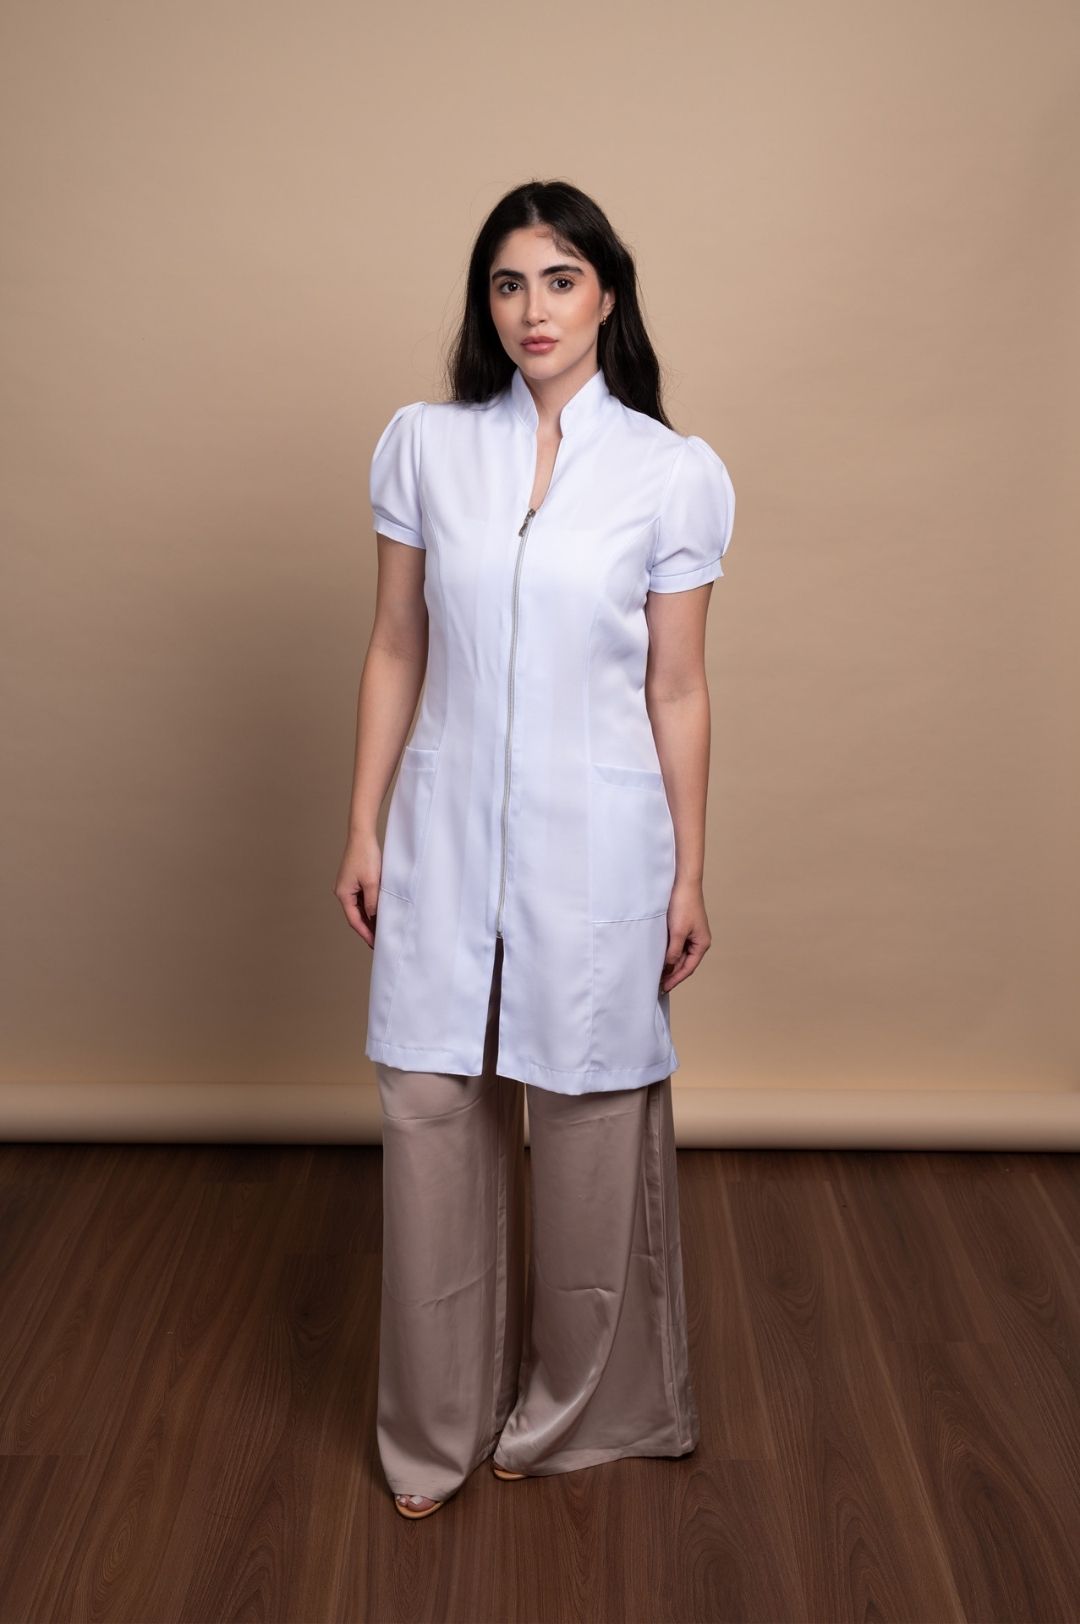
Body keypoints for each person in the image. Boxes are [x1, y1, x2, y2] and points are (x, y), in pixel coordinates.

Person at [334, 179, 737, 1519]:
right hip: (443, 836)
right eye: (508, 284)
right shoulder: (426, 448)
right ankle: (431, 1432)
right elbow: (398, 645)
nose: (533, 309)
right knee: (430, 1118)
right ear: (486, 304)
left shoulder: (671, 472)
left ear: (607, 294)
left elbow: (677, 687)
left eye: (560, 279)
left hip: (599, 844)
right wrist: (364, 822)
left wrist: (688, 869)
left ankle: (582, 1411)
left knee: (589, 1128)